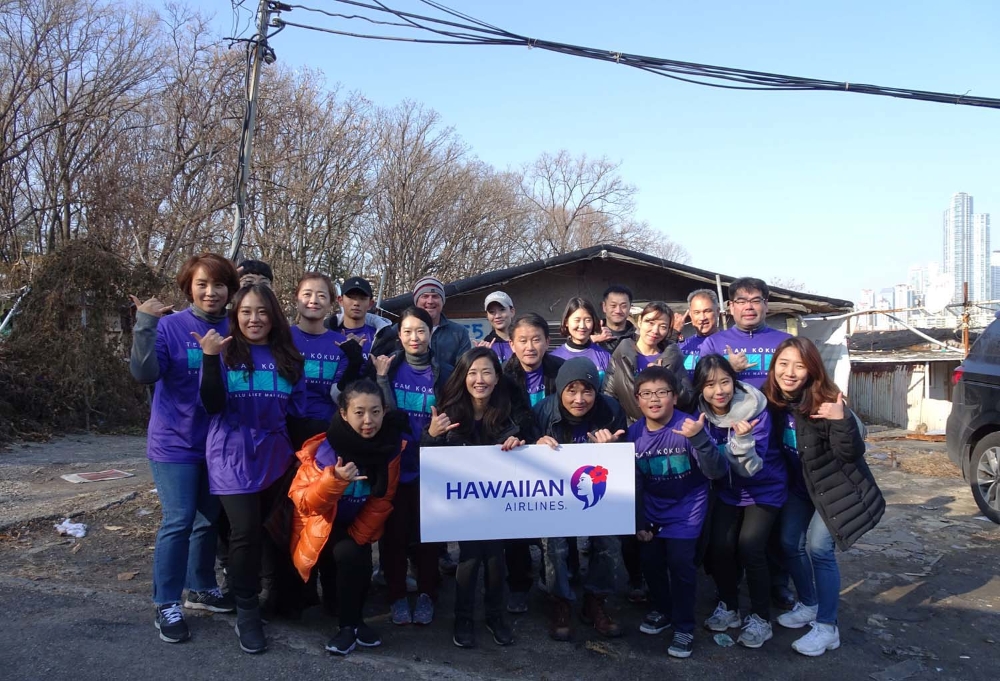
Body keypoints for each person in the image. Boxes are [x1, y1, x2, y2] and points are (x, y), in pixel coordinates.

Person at [129, 253, 240, 644]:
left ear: (230, 289)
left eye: (219, 285)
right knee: (178, 519)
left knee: (208, 520)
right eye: (202, 284)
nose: (211, 292)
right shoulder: (170, 326)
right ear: (188, 288)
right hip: (174, 442)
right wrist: (145, 322)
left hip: (218, 442)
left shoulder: (236, 327)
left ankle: (202, 586)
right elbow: (144, 373)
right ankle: (166, 602)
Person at [194, 283, 308, 654]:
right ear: (235, 316)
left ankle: (277, 596)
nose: (254, 319)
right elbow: (212, 403)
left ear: (274, 316)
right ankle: (246, 610)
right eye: (245, 312)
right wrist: (209, 358)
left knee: (274, 531)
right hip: (232, 455)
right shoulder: (223, 352)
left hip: (276, 456)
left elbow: (298, 415)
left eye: (261, 311)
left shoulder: (289, 358)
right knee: (244, 533)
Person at [765, 337, 885, 657]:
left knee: (819, 548)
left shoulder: (827, 402)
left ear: (812, 370)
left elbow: (851, 453)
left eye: (799, 366)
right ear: (774, 367)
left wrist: (841, 419)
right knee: (789, 543)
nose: (790, 372)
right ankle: (809, 604)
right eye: (783, 364)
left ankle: (828, 627)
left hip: (836, 490)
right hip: (801, 487)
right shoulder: (775, 401)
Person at [423, 347, 537, 648]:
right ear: (463, 377)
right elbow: (431, 462)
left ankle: (495, 616)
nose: (480, 379)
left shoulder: (510, 409)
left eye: (487, 372)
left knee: (496, 557)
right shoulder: (448, 412)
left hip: (499, 499)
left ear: (497, 377)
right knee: (470, 556)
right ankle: (463, 617)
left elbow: (527, 448)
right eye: (473, 373)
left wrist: (518, 442)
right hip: (463, 501)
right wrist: (432, 435)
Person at [288, 379, 408, 655]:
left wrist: (359, 534)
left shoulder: (390, 446)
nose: (368, 421)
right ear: (343, 413)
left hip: (356, 522)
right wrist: (334, 481)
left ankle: (352, 623)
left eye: (375, 412)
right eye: (359, 412)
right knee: (349, 556)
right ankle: (348, 626)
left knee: (358, 555)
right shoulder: (324, 451)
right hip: (321, 524)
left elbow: (382, 499)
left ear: (384, 411)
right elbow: (304, 502)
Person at [629, 366, 727, 659]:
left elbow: (717, 471)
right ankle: (663, 609)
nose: (654, 399)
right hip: (652, 509)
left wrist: (699, 440)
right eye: (646, 393)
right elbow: (634, 482)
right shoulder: (633, 434)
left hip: (687, 509)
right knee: (650, 562)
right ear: (637, 399)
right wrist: (638, 519)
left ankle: (684, 626)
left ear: (674, 397)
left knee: (681, 563)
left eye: (662, 392)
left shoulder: (690, 427)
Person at [695, 354, 788, 649]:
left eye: (724, 382)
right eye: (710, 385)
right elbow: (710, 465)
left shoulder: (754, 410)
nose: (718, 391)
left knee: (750, 547)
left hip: (764, 489)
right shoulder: (701, 415)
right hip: (728, 491)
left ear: (734, 382)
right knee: (720, 546)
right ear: (700, 388)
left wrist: (743, 442)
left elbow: (750, 469)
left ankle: (761, 617)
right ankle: (729, 606)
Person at [534, 357, 626, 641]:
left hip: (599, 490)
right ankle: (560, 600)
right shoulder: (543, 411)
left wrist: (612, 449)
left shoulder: (610, 410)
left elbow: (623, 463)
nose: (579, 399)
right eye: (571, 390)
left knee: (609, 541)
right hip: (554, 493)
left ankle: (595, 600)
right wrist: (535, 444)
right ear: (560, 389)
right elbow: (524, 457)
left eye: (587, 391)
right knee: (553, 544)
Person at [373, 306, 453, 626]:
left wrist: (432, 435)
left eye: (420, 330)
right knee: (393, 535)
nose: (414, 337)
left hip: (430, 465)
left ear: (431, 333)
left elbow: (450, 418)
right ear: (399, 335)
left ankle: (427, 594)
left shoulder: (445, 372)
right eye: (407, 331)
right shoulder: (388, 368)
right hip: (395, 464)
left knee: (427, 536)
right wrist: (381, 379)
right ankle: (395, 595)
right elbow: (382, 416)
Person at [291, 272, 366, 444]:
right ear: (297, 300)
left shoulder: (340, 344)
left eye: (322, 295)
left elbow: (338, 396)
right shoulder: (282, 338)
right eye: (307, 294)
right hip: (284, 429)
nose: (314, 300)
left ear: (331, 304)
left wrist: (354, 363)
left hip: (325, 432)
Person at [604, 301, 694, 422]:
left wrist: (667, 378)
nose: (655, 330)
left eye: (663, 327)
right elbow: (608, 395)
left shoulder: (672, 357)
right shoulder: (621, 354)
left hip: (664, 427)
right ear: (640, 321)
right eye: (650, 322)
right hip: (630, 427)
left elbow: (687, 398)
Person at [699, 278, 791, 390]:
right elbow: (702, 384)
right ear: (731, 306)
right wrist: (729, 368)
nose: (748, 307)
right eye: (741, 301)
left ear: (766, 305)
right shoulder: (713, 343)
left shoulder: (786, 342)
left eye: (756, 301)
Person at [370, 276, 471, 367]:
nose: (430, 301)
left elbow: (463, 371)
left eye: (435, 296)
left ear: (443, 301)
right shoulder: (397, 330)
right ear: (416, 301)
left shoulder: (459, 333)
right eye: (425, 296)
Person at [503, 313, 564, 408]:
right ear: (512, 345)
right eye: (523, 341)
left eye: (536, 340)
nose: (530, 347)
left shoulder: (562, 370)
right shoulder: (502, 374)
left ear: (547, 342)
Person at [550, 297, 612, 388]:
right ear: (566, 322)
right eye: (577, 320)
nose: (582, 326)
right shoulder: (554, 358)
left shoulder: (605, 356)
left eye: (587, 320)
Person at [326, 276, 391, 361]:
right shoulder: (327, 333)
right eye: (351, 297)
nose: (356, 303)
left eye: (362, 298)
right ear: (340, 300)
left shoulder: (381, 337)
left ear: (370, 304)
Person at [679, 289, 720, 380]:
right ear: (690, 315)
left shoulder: (731, 343)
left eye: (707, 311)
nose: (702, 318)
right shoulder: (680, 346)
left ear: (717, 312)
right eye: (697, 312)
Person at [591, 284, 635, 354]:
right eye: (613, 306)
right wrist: (590, 341)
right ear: (604, 307)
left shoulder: (638, 338)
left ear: (630, 308)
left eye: (623, 306)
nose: (618, 311)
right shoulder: (591, 333)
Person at [477, 291, 515, 364]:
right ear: (487, 316)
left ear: (512, 312)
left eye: (502, 310)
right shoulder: (486, 346)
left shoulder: (524, 341)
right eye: (491, 312)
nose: (497, 316)